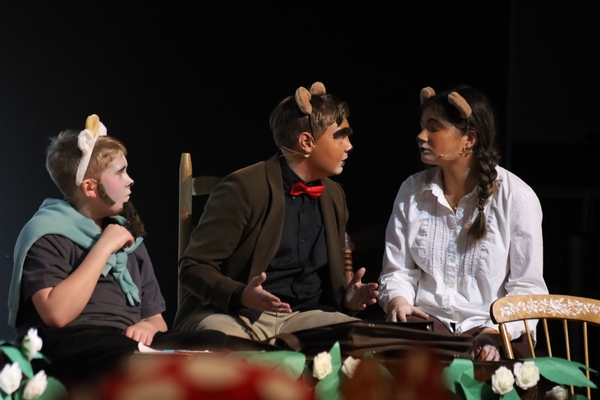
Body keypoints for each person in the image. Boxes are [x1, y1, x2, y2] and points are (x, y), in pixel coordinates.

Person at [7, 115, 231, 388]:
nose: (130, 180)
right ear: (90, 187)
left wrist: (148, 327)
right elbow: (57, 315)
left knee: (217, 343)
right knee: (132, 357)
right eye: (120, 172)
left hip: (123, 340)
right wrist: (104, 246)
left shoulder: (126, 237)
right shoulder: (47, 233)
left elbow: (157, 320)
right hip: (72, 341)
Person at [173, 82, 379, 341]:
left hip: (304, 317)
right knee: (230, 346)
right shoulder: (244, 188)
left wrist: (347, 299)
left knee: (364, 339)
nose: (348, 145)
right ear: (307, 142)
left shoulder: (334, 195)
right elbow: (193, 267)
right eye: (340, 136)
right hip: (238, 315)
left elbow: (327, 282)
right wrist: (240, 294)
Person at [378, 85, 548, 360]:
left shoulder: (516, 197)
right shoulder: (411, 190)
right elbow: (398, 270)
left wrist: (494, 333)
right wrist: (398, 301)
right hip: (427, 326)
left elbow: (527, 289)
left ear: (469, 139)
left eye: (434, 128)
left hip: (491, 329)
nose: (421, 136)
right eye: (422, 127)